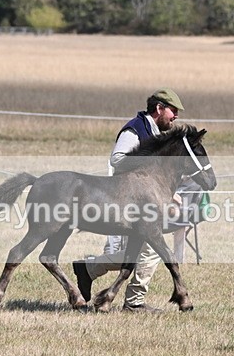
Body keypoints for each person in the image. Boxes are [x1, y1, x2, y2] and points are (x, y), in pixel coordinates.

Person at [72, 88, 184, 313]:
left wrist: (168, 194)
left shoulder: (156, 134)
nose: (176, 116)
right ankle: (133, 302)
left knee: (140, 251)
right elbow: (117, 159)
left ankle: (89, 269)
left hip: (143, 202)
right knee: (148, 251)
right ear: (159, 108)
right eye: (173, 111)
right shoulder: (135, 129)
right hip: (124, 201)